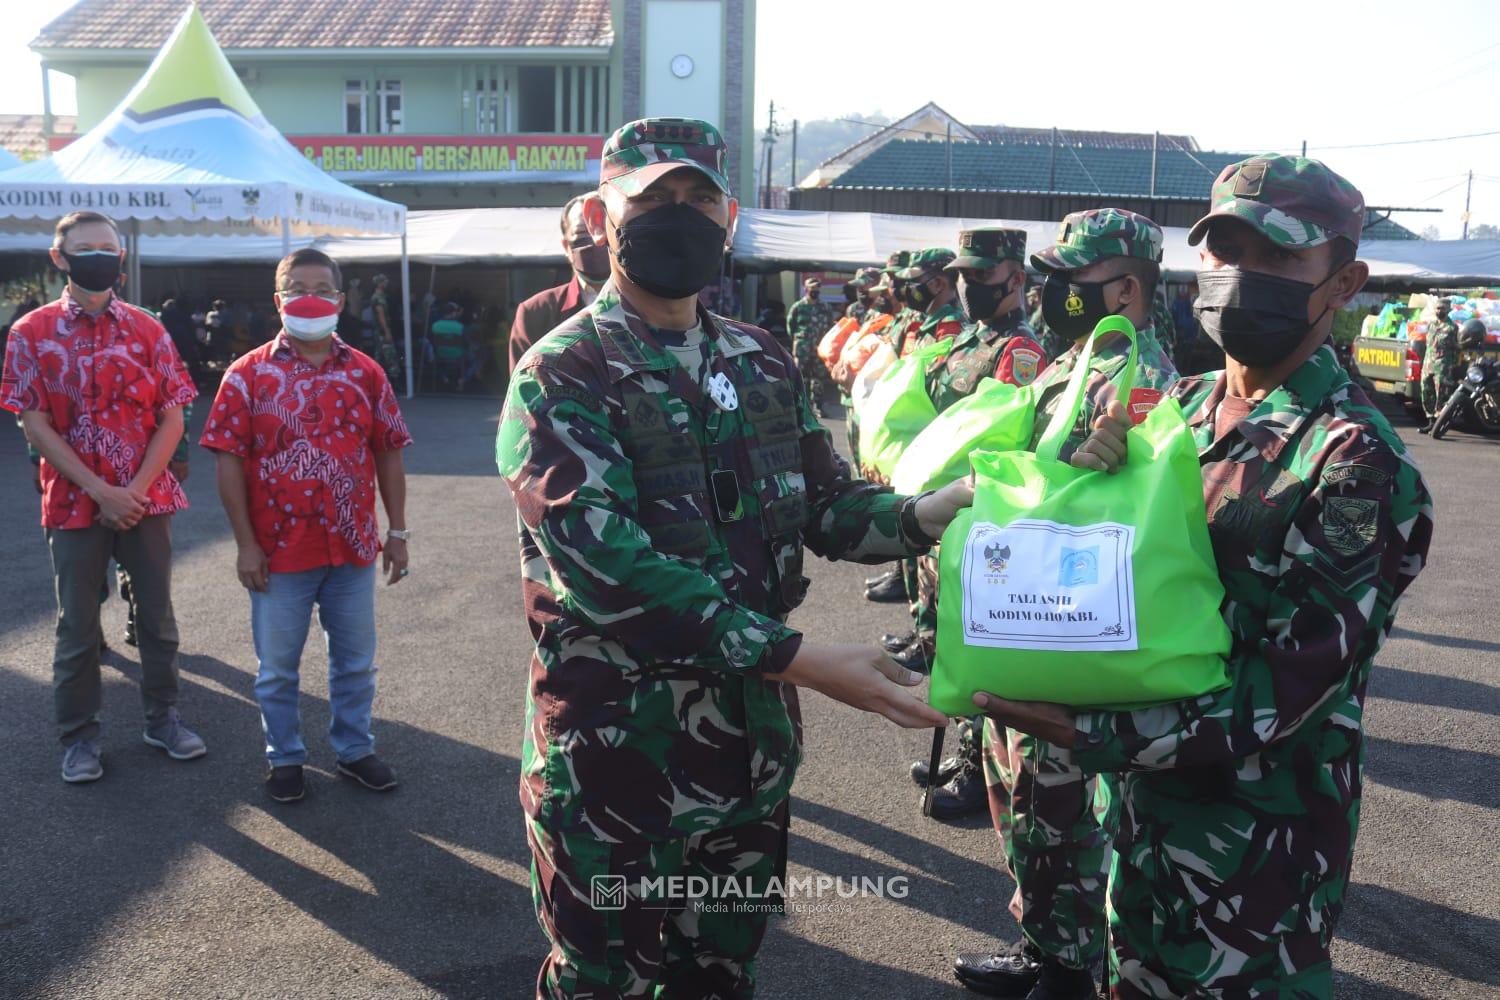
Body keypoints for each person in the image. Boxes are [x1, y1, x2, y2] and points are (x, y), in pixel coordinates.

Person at [496, 116, 969, 999]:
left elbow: (825, 504)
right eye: (651, 200)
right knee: (607, 984)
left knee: (721, 975)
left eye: (697, 198)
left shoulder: (759, 358)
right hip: (618, 760)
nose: (677, 216)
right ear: (603, 217)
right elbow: (605, 567)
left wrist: (925, 515)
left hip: (744, 757)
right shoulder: (564, 370)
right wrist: (802, 658)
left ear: (731, 215)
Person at [977, 155, 1433, 999]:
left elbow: (1295, 680)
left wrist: (1093, 734)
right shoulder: (1171, 410)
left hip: (1256, 844)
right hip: (1137, 823)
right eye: (1225, 253)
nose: (1240, 278)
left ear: (1344, 282)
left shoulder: (1351, 457)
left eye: (1279, 258)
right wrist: (1084, 487)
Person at [955, 208, 1179, 1000]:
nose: (1049, 292)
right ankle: (1045, 943)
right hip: (1032, 603)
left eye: (1067, 279)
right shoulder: (1074, 361)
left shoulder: (1139, 372)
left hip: (1074, 619)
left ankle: (1068, 964)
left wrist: (1105, 467)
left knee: (1058, 805)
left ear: (1123, 286)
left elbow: (1146, 504)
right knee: (1020, 789)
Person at [200, 248, 412, 805]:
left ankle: (353, 749)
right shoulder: (246, 375)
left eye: (322, 286)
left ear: (341, 300)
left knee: (355, 665)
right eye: (297, 287)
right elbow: (226, 459)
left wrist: (399, 530)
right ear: (278, 300)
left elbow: (389, 451)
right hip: (278, 553)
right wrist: (246, 545)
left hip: (351, 549)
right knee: (276, 670)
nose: (310, 295)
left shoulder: (365, 372)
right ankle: (285, 757)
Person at [1, 210, 204, 784]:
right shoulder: (31, 333)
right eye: (85, 247)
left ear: (120, 257)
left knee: (157, 618)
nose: (100, 257)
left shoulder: (148, 329)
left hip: (146, 500)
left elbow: (172, 416)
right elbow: (34, 425)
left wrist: (132, 492)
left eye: (108, 248)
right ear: (60, 258)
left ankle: (162, 718)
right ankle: (79, 738)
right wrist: (99, 492)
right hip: (72, 502)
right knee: (78, 626)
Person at [899, 228, 1046, 822]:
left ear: (1015, 279)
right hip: (936, 510)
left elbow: (999, 437)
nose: (966, 286)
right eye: (962, 274)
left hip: (973, 519)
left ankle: (975, 765)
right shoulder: (966, 341)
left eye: (980, 276)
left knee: (968, 643)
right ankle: (958, 749)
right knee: (938, 639)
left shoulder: (1020, 352)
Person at [508, 193, 611, 376]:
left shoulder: (651, 304)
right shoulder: (535, 313)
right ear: (566, 247)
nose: (593, 241)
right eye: (581, 234)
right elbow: (524, 391)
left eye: (599, 229)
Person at [786, 275, 837, 415]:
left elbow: (830, 327)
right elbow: (791, 326)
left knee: (818, 378)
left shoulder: (825, 307)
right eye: (812, 288)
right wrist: (798, 341)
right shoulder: (798, 307)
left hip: (819, 349)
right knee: (801, 377)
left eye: (817, 288)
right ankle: (801, 407)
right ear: (806, 289)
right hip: (802, 349)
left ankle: (818, 406)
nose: (815, 291)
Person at [1419, 295, 1459, 433]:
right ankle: (1430, 421)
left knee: (1441, 395)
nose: (1439, 311)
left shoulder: (1452, 327)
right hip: (1428, 364)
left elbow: (1456, 348)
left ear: (1448, 310)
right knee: (1426, 392)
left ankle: (1438, 424)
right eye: (1437, 308)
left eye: (1442, 308)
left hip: (1443, 365)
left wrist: (1451, 366)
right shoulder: (1431, 325)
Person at [429, 301, 469, 391]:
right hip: (458, 355)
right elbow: (466, 343)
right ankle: (462, 379)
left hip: (440, 354)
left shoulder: (435, 325)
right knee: (476, 359)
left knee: (435, 361)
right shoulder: (460, 326)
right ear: (453, 313)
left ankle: (444, 377)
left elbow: (431, 341)